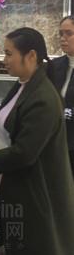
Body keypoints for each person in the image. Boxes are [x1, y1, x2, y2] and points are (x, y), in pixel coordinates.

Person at [0, 27, 74, 255]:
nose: (4, 60)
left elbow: (25, 152)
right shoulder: (24, 85)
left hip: (37, 192)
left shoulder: (43, 97)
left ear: (31, 56)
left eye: (9, 53)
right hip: (21, 187)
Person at [48, 15, 74, 177]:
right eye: (61, 34)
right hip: (55, 140)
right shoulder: (54, 66)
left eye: (69, 33)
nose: (63, 38)